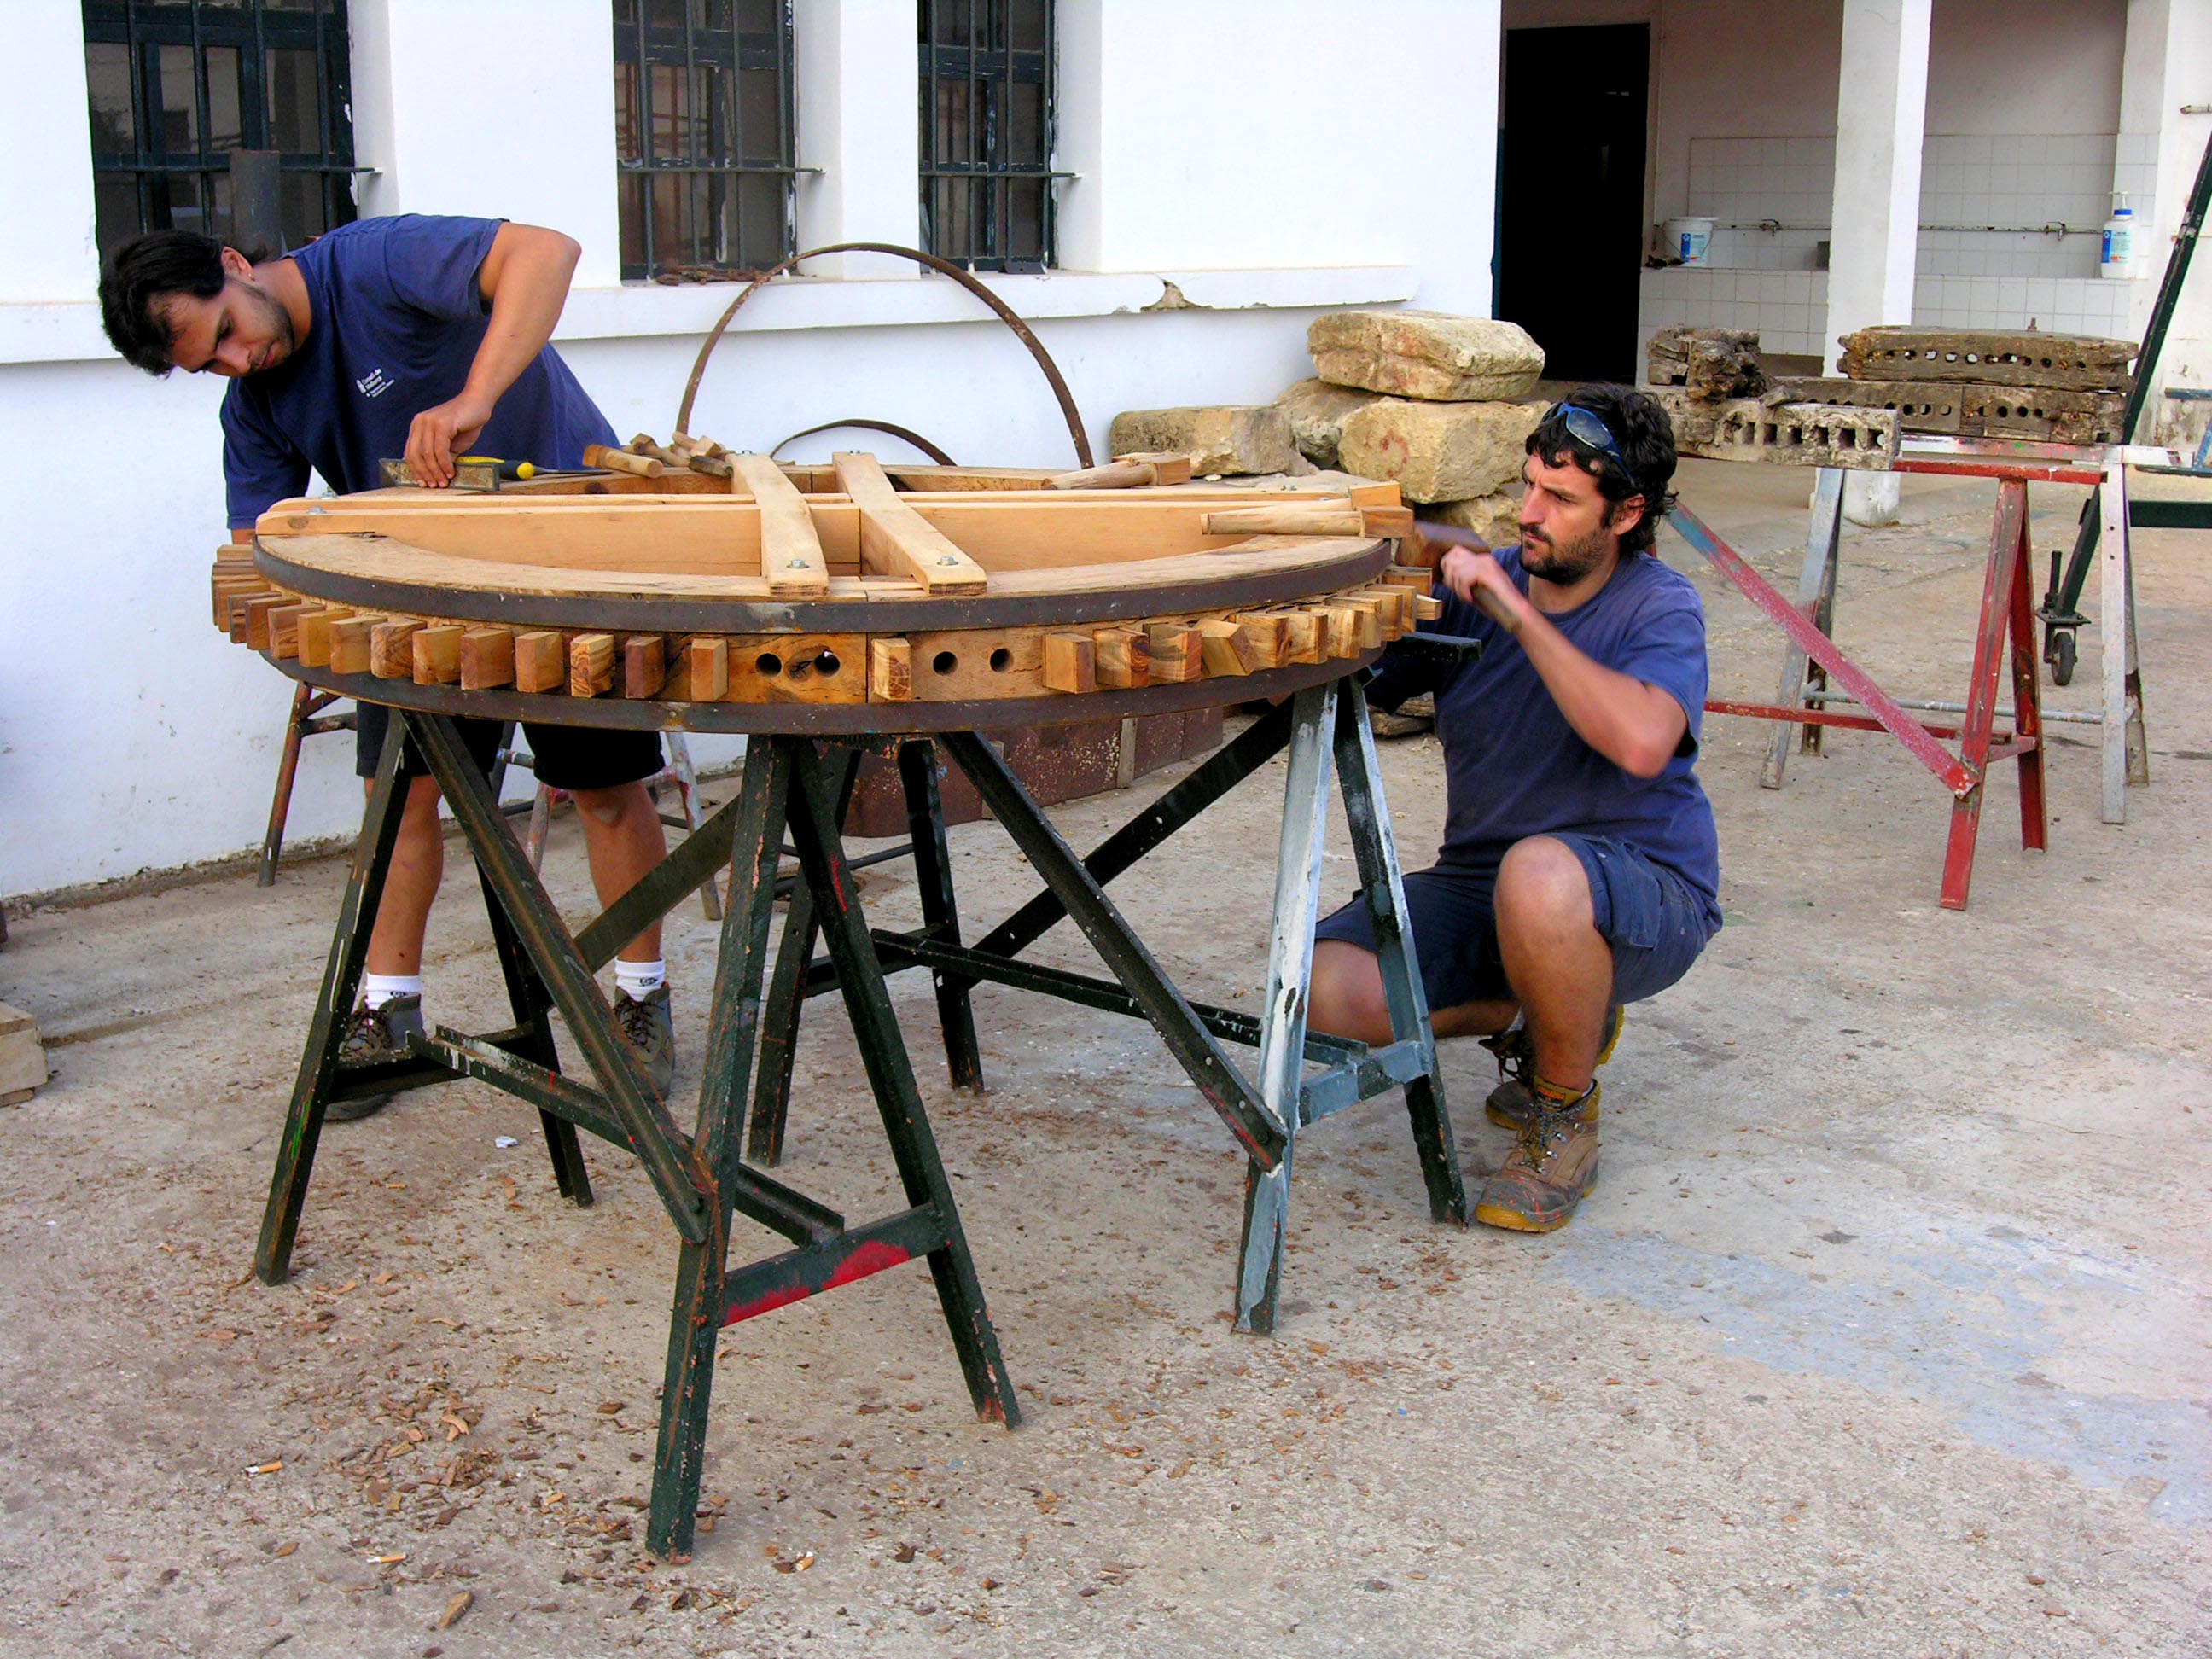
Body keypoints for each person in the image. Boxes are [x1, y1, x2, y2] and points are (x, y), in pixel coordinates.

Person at [99, 214, 677, 1118]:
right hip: (427, 594)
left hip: (572, 559)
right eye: (206, 365)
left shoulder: (372, 266)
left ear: (233, 266)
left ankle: (642, 1001)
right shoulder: (256, 405)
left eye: (224, 334)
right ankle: (387, 1013)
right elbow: (261, 543)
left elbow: (550, 252)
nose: (235, 363)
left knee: (603, 793)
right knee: (396, 799)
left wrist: (474, 397)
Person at [1307, 384, 1720, 1233]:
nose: (1529, 513)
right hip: (1484, 884)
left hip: (1642, 892)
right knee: (1324, 994)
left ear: (1626, 515)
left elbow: (1642, 741)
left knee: (1540, 873)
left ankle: (1564, 1110)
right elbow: (1355, 681)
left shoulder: (1659, 607)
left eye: (1561, 500)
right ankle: (1542, 1013)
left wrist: (1517, 615)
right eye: (1529, 486)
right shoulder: (1484, 585)